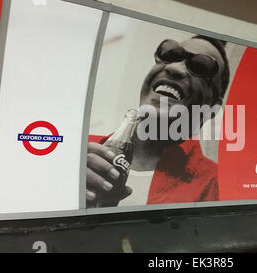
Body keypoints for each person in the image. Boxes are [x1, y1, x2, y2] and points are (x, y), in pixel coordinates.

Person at [86, 35, 230, 208]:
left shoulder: (217, 186)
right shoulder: (81, 153)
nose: (175, 68)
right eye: (170, 54)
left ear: (212, 107)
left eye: (200, 66)